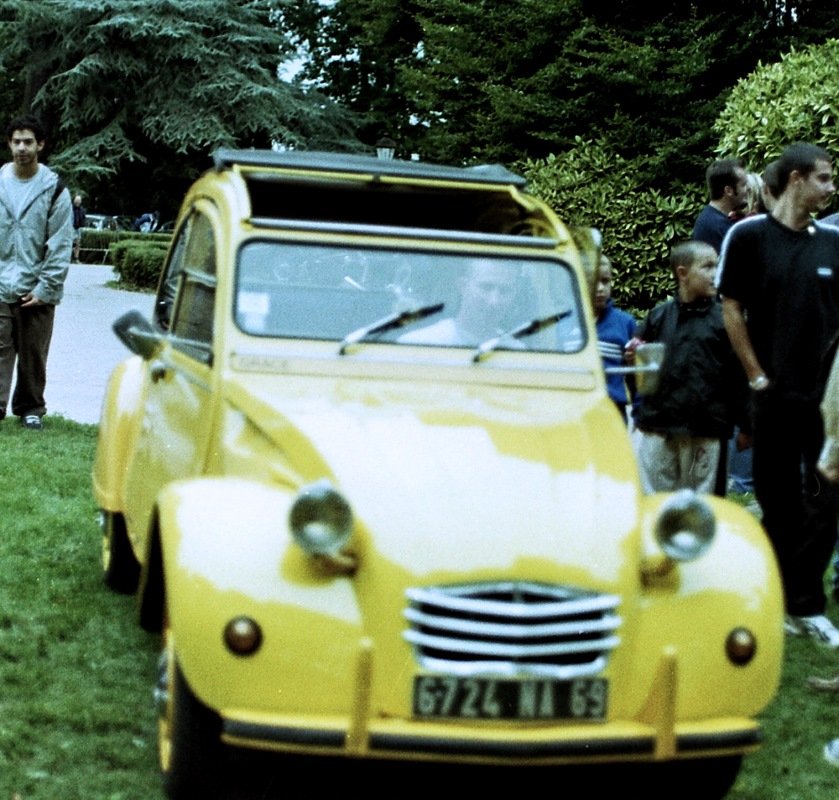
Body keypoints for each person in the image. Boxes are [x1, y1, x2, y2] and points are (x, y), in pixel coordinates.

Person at [717, 141, 839, 647]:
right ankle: (775, 597)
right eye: (824, 178)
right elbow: (731, 308)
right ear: (796, 179)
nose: (831, 188)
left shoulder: (832, 243)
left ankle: (805, 605)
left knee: (827, 500)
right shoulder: (747, 236)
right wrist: (755, 376)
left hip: (824, 401)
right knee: (779, 502)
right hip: (771, 396)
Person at [630, 240, 746, 494]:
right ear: (682, 273)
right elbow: (638, 367)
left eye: (717, 266)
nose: (715, 274)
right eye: (707, 267)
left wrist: (747, 425)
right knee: (655, 500)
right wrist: (632, 357)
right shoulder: (658, 317)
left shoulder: (725, 321)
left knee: (702, 502)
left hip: (706, 429)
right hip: (659, 427)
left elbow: (739, 375)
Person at [0, 114, 73, 430]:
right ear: (9, 144)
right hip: (1, 283)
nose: (21, 148)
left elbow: (60, 243)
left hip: (36, 287)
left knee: (33, 355)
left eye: (28, 142)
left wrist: (46, 287)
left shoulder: (54, 189)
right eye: (16, 141)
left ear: (40, 145)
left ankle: (31, 408)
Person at [399, 258, 518, 345]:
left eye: (504, 291)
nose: (494, 301)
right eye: (486, 288)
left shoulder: (517, 352)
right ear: (463, 286)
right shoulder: (419, 344)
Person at [593, 254, 636, 423]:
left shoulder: (625, 323)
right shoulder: (566, 323)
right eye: (593, 281)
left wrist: (639, 411)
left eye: (605, 281)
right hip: (574, 410)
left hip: (613, 411)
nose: (600, 288)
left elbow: (635, 374)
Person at [691, 158, 748, 252]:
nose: (748, 189)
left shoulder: (713, 221)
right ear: (728, 191)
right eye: (743, 185)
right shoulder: (714, 228)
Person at [71, 193, 86, 262]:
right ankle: (69, 257)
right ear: (74, 200)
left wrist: (83, 225)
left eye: (79, 200)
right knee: (70, 243)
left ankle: (76, 258)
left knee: (78, 244)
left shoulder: (82, 209)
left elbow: (83, 218)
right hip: (71, 228)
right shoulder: (70, 209)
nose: (77, 202)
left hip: (78, 228)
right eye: (76, 200)